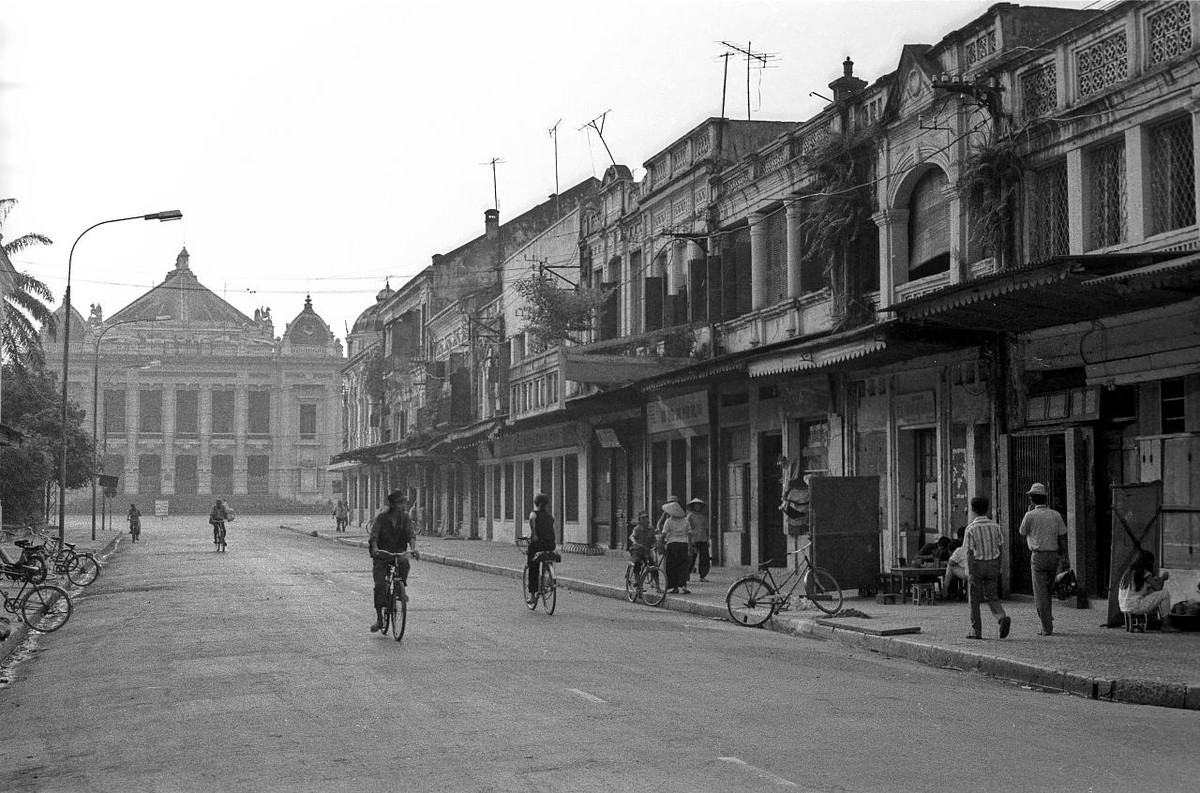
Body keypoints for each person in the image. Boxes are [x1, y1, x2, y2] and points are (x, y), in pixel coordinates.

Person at [1018, 482, 1069, 636]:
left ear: (1032, 499)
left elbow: (1022, 531)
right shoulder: (1055, 514)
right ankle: (1048, 618)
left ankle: (1046, 627)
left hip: (1038, 555)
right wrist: (1066, 556)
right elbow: (1062, 538)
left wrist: (1029, 512)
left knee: (1040, 592)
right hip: (1053, 555)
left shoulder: (1030, 515)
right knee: (1048, 589)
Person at [368, 489, 418, 632]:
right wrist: (375, 548)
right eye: (400, 503)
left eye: (404, 503)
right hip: (382, 554)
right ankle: (379, 619)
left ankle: (400, 589)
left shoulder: (405, 518)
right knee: (379, 585)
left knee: (404, 562)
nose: (403, 506)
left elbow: (411, 535)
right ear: (392, 504)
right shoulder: (382, 518)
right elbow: (374, 536)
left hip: (398, 552)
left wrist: (413, 548)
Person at [963, 496, 1011, 640]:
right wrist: (1000, 565)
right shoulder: (995, 526)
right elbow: (1001, 548)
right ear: (987, 509)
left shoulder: (970, 529)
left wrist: (969, 572)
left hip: (977, 565)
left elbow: (969, 552)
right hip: (993, 564)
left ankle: (976, 630)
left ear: (972, 510)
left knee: (974, 599)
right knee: (992, 596)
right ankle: (1001, 617)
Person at [1118, 550, 1171, 627]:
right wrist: (1163, 578)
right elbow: (1158, 588)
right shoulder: (1144, 572)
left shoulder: (1128, 572)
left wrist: (1152, 582)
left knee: (1149, 591)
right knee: (1164, 593)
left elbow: (1138, 589)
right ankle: (1167, 624)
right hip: (1136, 606)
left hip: (1123, 606)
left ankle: (1151, 621)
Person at [526, 493, 557, 605]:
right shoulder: (550, 517)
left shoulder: (534, 513)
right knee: (547, 557)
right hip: (550, 544)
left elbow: (531, 519)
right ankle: (549, 579)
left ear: (537, 503)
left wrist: (534, 535)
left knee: (533, 566)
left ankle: (533, 595)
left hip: (538, 544)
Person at [659, 499, 692, 595]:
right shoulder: (685, 520)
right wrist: (690, 546)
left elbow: (664, 534)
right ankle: (683, 586)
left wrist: (661, 544)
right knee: (683, 565)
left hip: (672, 544)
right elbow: (689, 533)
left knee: (671, 566)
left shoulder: (668, 521)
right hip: (683, 544)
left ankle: (674, 587)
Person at [686, 498, 711, 583]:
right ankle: (687, 574)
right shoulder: (690, 516)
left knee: (704, 558)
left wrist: (707, 539)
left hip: (703, 539)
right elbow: (688, 529)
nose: (697, 507)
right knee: (691, 558)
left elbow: (706, 528)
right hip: (694, 539)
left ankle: (702, 575)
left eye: (699, 505)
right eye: (696, 505)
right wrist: (690, 541)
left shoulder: (703, 516)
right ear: (693, 506)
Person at [627, 510, 656, 581]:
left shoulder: (651, 528)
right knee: (637, 563)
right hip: (638, 550)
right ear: (640, 519)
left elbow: (654, 539)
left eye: (646, 518)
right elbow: (632, 536)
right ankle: (636, 581)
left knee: (652, 565)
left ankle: (657, 586)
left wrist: (655, 544)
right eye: (643, 518)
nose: (645, 520)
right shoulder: (637, 528)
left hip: (646, 550)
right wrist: (635, 542)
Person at [942, 526, 968, 600]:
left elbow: (951, 563)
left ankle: (945, 591)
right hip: (981, 571)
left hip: (969, 573)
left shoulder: (959, 550)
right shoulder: (974, 547)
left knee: (950, 567)